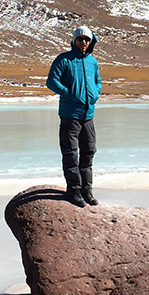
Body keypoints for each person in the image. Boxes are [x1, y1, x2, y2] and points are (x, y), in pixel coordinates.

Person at [46, 26, 102, 207]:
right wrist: (69, 93)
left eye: (87, 39)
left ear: (91, 41)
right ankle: (74, 191)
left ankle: (87, 190)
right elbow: (51, 81)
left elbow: (97, 81)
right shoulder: (64, 60)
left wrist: (95, 93)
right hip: (70, 115)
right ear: (74, 41)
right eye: (80, 39)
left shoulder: (92, 61)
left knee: (89, 152)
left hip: (88, 115)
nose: (84, 42)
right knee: (71, 154)